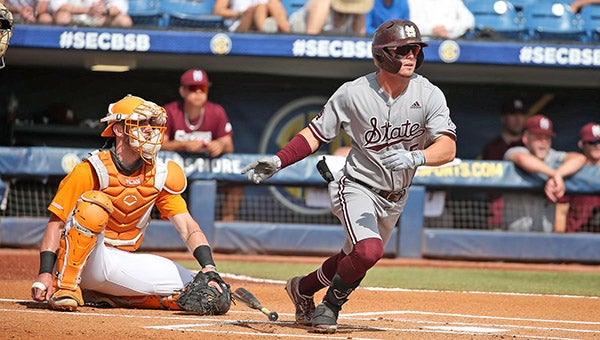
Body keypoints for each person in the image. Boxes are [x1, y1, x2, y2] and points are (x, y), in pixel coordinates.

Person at [241, 20, 456, 333]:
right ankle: (330, 306)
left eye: (416, 50)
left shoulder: (429, 94)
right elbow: (315, 134)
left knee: (354, 257)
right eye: (403, 49)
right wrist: (279, 160)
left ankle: (302, 288)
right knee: (368, 250)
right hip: (357, 186)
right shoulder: (352, 93)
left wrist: (417, 156)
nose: (411, 55)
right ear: (383, 55)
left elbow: (447, 147)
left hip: (396, 197)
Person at [30, 94, 231, 314]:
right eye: (140, 123)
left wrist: (209, 267)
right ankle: (66, 288)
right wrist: (45, 273)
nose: (149, 129)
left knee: (202, 291)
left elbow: (186, 225)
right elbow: (56, 223)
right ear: (118, 129)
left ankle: (115, 296)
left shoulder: (160, 174)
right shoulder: (91, 169)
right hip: (83, 262)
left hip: (120, 260)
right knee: (94, 206)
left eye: (151, 124)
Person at [162, 69, 243, 222]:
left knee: (236, 186)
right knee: (154, 185)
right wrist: (184, 144)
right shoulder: (170, 111)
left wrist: (219, 145)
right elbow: (159, 144)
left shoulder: (216, 111)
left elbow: (229, 145)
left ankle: (224, 233)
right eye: (193, 88)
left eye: (203, 88)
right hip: (176, 171)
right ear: (183, 91)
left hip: (207, 168)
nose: (198, 92)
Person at [502, 114, 586, 232]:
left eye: (547, 137)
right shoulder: (517, 151)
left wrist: (558, 174)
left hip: (545, 238)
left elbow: (579, 158)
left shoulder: (552, 156)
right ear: (526, 138)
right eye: (538, 137)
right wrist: (554, 174)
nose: (543, 142)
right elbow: (522, 159)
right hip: (515, 237)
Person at [480, 97, 527, 228]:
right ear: (503, 118)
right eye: (513, 114)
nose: (518, 119)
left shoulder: (529, 148)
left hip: (524, 212)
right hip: (498, 213)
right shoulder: (492, 148)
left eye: (521, 114)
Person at [555, 122, 600, 233]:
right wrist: (559, 241)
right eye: (592, 142)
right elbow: (561, 212)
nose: (597, 146)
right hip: (576, 237)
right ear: (581, 144)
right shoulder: (571, 170)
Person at [288, 0, 374, 36]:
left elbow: (359, 38)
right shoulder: (322, 3)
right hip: (295, 38)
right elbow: (311, 38)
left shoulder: (358, 12)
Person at [407, 0, 474, 39]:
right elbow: (410, 24)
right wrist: (432, 29)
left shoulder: (454, 1)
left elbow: (469, 21)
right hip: (424, 44)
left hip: (451, 40)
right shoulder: (413, 1)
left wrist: (447, 29)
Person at [213, 0, 290, 33]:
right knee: (260, 8)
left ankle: (289, 32)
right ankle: (266, 33)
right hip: (240, 24)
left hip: (266, 18)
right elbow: (218, 10)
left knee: (274, 3)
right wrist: (240, 13)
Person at [50, 0, 132, 27]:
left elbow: (120, 7)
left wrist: (105, 10)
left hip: (99, 19)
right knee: (62, 17)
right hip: (74, 17)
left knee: (124, 20)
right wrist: (87, 10)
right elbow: (58, 5)